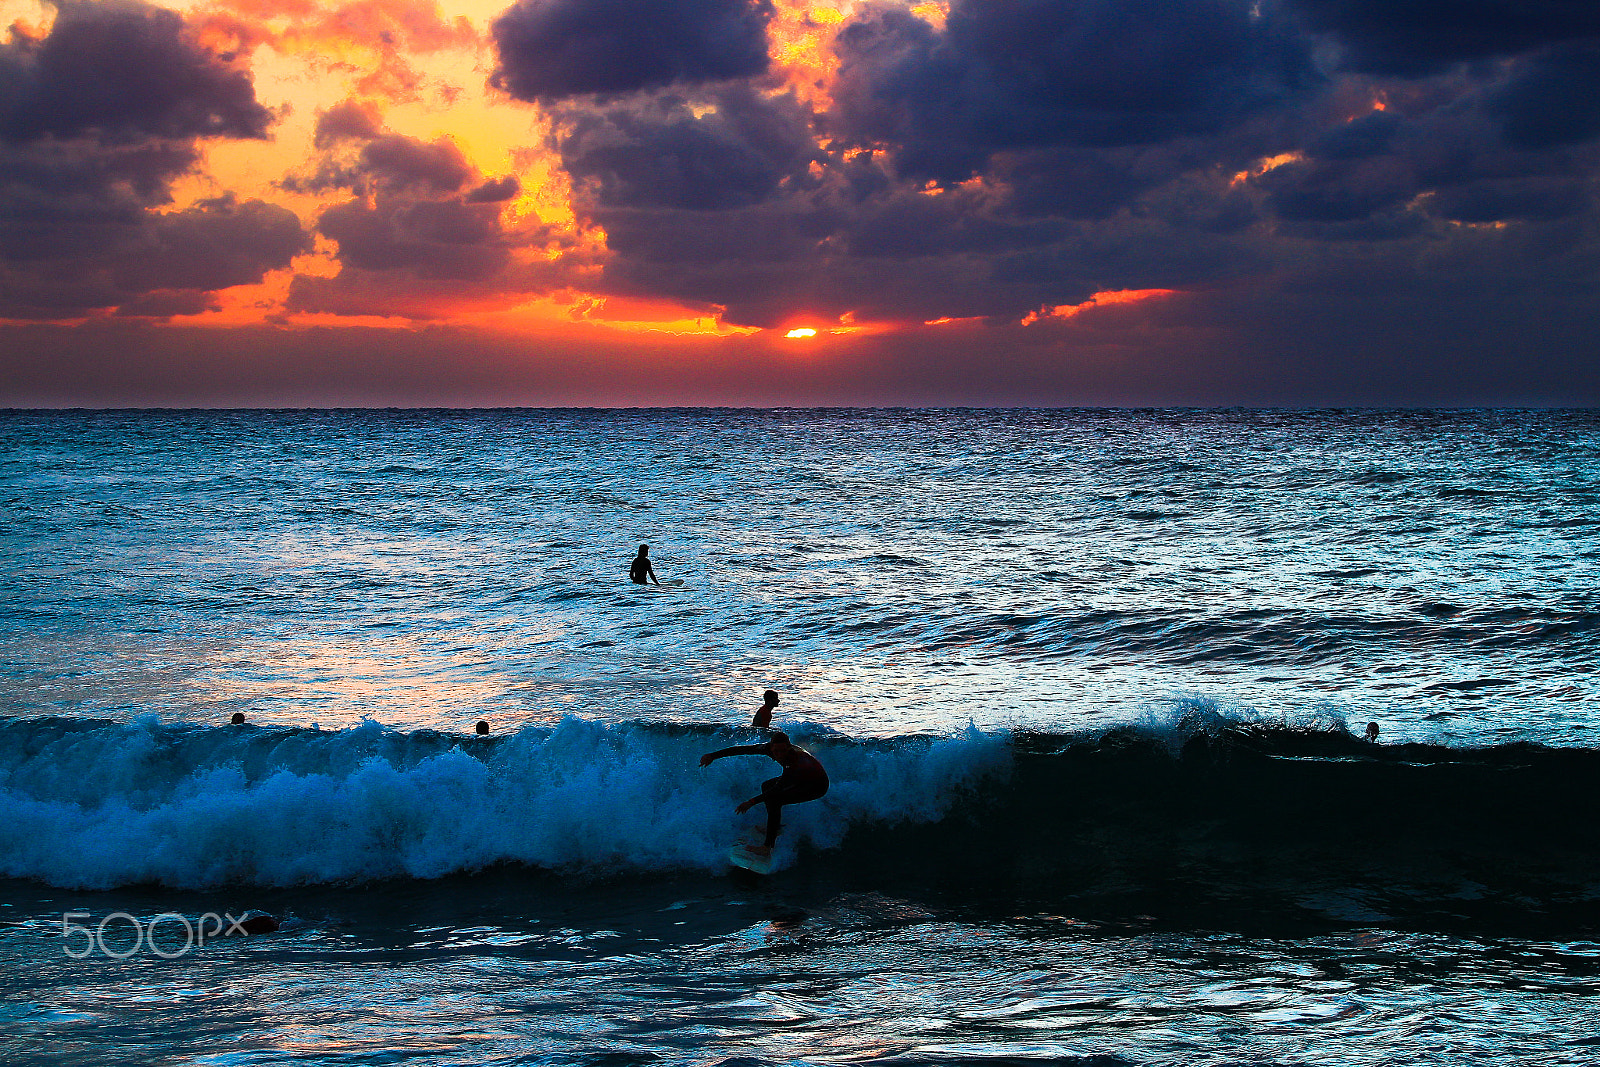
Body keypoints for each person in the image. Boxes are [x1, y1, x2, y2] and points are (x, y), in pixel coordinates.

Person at [700, 731, 828, 856]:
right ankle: (775, 828)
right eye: (776, 751)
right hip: (801, 779)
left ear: (789, 748)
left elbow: (778, 788)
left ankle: (767, 847)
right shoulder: (767, 748)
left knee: (775, 799)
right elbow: (743, 750)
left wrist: (751, 802)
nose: (779, 754)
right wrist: (713, 756)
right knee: (766, 786)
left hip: (816, 786)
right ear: (771, 747)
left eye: (782, 751)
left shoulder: (795, 760)